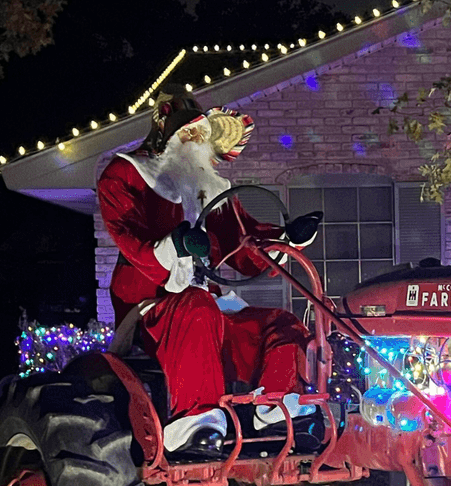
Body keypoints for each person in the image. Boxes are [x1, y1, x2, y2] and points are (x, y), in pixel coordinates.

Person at [97, 85, 320, 454]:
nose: (197, 140)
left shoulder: (210, 190)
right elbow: (130, 239)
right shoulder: (126, 175)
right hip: (153, 304)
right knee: (197, 309)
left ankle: (274, 407)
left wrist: (288, 238)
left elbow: (245, 246)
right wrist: (176, 244)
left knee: (282, 324)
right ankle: (196, 418)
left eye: (203, 134)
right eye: (190, 131)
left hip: (207, 304)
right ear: (169, 134)